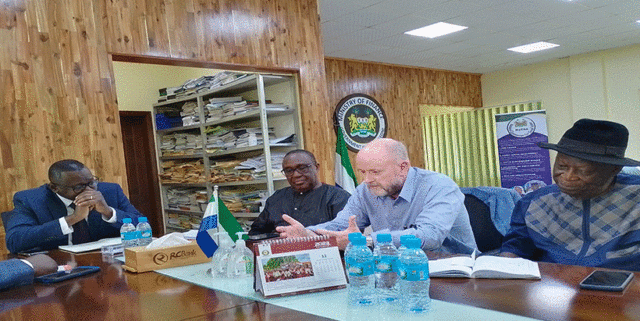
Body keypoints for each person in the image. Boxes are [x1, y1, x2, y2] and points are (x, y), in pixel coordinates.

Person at [276, 139, 477, 253]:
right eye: (363, 172)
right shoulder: (366, 190)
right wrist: (308, 233)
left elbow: (429, 237)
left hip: (455, 272)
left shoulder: (439, 185)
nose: (367, 180)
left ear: (403, 167)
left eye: (375, 172)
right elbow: (339, 227)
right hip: (396, 269)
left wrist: (364, 241)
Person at [501, 119, 640, 271]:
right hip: (553, 288)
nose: (567, 177)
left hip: (626, 289)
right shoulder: (533, 203)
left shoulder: (636, 197)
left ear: (615, 169)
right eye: (562, 166)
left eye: (583, 171)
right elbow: (516, 248)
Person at [5, 159, 143, 253]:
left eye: (91, 182)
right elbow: (14, 241)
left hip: (107, 265)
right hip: (61, 268)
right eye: (79, 187)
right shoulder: (30, 199)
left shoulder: (110, 191)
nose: (89, 190)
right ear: (54, 188)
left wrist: (107, 211)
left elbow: (142, 226)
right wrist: (73, 219)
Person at [249, 150, 351, 235]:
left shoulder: (338, 197)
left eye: (302, 168)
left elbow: (346, 234)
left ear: (316, 167)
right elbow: (256, 232)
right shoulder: (277, 198)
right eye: (289, 171)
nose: (296, 175)